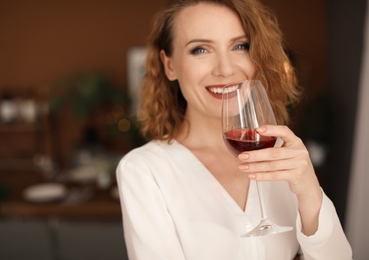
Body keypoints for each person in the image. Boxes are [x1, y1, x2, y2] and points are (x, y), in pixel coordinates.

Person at [116, 0, 352, 259]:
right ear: (169, 65)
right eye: (200, 50)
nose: (225, 69)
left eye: (240, 46)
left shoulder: (285, 159)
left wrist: (309, 190)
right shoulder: (144, 171)